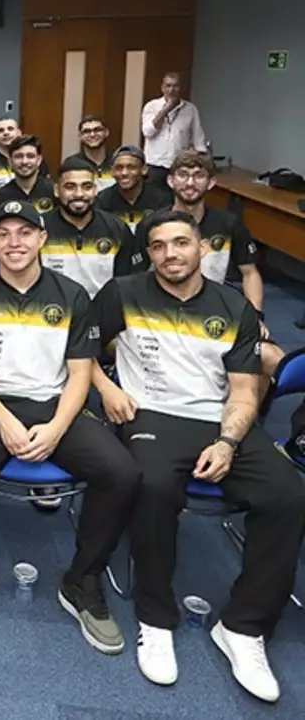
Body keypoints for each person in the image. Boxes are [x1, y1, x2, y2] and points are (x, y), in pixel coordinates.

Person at [92, 209, 305, 702]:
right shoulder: (122, 293)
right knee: (151, 487)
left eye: (181, 243)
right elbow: (81, 354)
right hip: (152, 415)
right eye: (160, 245)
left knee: (287, 495)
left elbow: (246, 392)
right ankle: (156, 616)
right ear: (149, 252)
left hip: (219, 419)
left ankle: (243, 627)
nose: (171, 254)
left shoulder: (233, 306)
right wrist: (106, 387)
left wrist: (228, 441)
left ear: (202, 248)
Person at [0, 199, 140, 651]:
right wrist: (5, 421)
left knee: (121, 472)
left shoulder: (73, 295)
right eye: (4, 233)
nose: (14, 242)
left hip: (57, 403)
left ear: (41, 237)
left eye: (24, 232)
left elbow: (80, 373)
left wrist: (54, 428)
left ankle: (82, 581)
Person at [137, 152, 284, 381]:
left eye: (198, 176)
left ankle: (251, 413)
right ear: (170, 180)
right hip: (163, 311)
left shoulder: (228, 223)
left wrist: (255, 316)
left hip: (216, 307)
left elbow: (250, 273)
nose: (190, 183)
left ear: (211, 182)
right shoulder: (151, 225)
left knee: (271, 357)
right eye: (183, 175)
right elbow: (134, 278)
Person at [40, 156, 140, 299]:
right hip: (52, 312)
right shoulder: (38, 228)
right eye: (70, 187)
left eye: (87, 187)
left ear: (95, 190)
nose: (79, 194)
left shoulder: (117, 228)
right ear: (56, 190)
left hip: (102, 314)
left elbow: (126, 284)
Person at [141, 72, 207, 185]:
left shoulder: (191, 109)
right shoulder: (151, 106)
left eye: (175, 86)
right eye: (168, 86)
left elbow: (198, 139)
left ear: (181, 88)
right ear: (162, 88)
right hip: (155, 165)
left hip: (179, 165)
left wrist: (202, 163)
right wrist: (164, 110)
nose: (171, 90)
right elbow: (148, 132)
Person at [95, 146, 172, 233]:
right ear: (112, 172)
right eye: (119, 168)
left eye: (131, 167)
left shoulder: (161, 199)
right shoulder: (102, 201)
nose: (124, 173)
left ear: (144, 169)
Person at [0, 135, 55, 214]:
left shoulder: (53, 191)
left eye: (30, 156)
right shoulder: (0, 196)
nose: (24, 162)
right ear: (10, 161)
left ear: (39, 160)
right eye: (18, 156)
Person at [77, 115, 115, 191]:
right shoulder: (73, 164)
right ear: (80, 136)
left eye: (97, 130)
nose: (92, 134)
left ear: (106, 132)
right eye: (86, 131)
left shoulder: (117, 161)